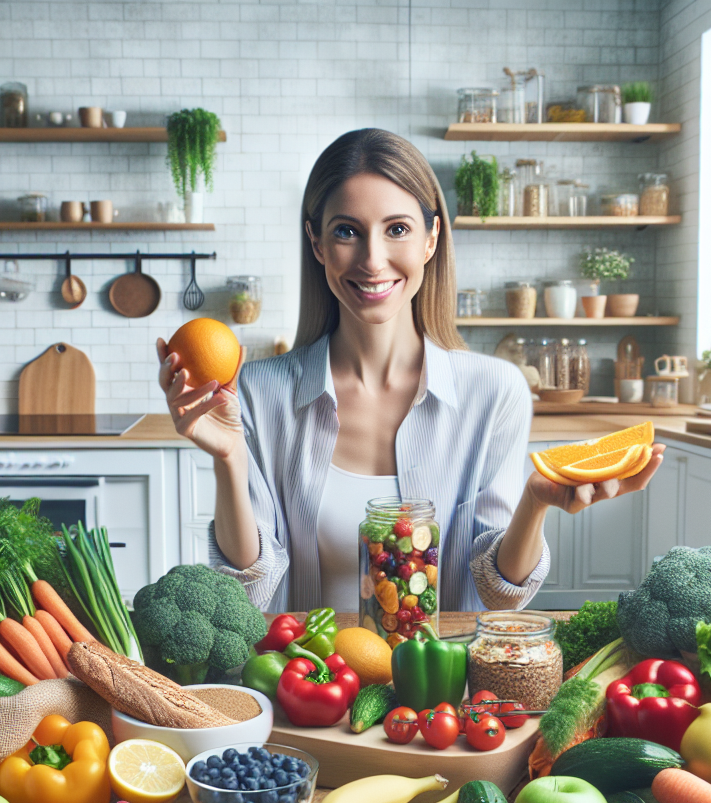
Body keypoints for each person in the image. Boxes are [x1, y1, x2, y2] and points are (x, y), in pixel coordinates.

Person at [157, 128, 664, 613]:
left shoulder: (494, 391)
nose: (373, 260)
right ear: (317, 244)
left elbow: (499, 592)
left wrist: (534, 503)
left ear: (430, 238)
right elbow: (249, 594)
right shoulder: (259, 391)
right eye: (347, 232)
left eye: (397, 229)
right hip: (311, 687)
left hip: (441, 698)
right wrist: (229, 457)